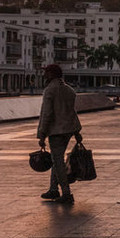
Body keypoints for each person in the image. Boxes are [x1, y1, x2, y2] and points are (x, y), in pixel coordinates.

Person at [36, 63, 82, 204]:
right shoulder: (69, 90)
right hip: (68, 130)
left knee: (58, 162)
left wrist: (42, 134)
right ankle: (53, 189)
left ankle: (66, 193)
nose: (44, 74)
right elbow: (72, 112)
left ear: (51, 74)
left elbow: (47, 114)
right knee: (56, 159)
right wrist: (77, 132)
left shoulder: (50, 90)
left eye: (46, 72)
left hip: (56, 131)